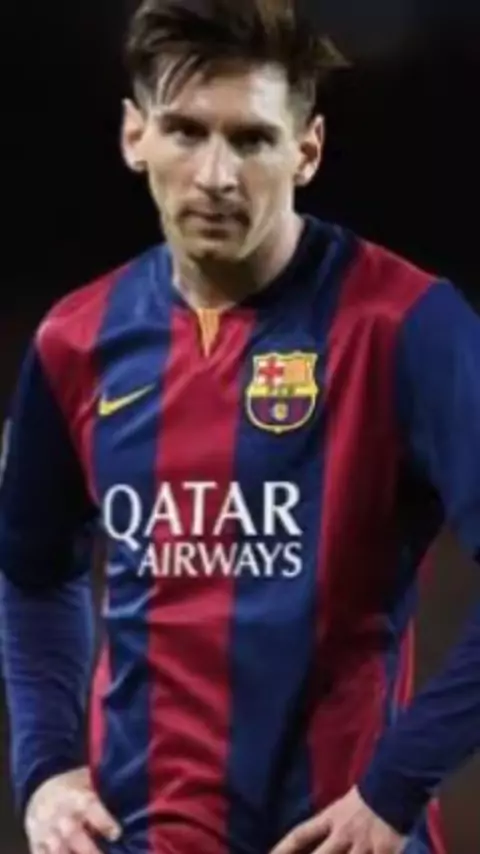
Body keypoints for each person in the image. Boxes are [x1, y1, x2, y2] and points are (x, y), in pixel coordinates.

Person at [1, 0, 480, 852]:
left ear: (307, 151)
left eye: (252, 138)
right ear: (134, 136)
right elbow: (33, 572)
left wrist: (395, 787)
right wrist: (45, 768)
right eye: (186, 132)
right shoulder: (74, 340)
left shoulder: (408, 326)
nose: (216, 175)